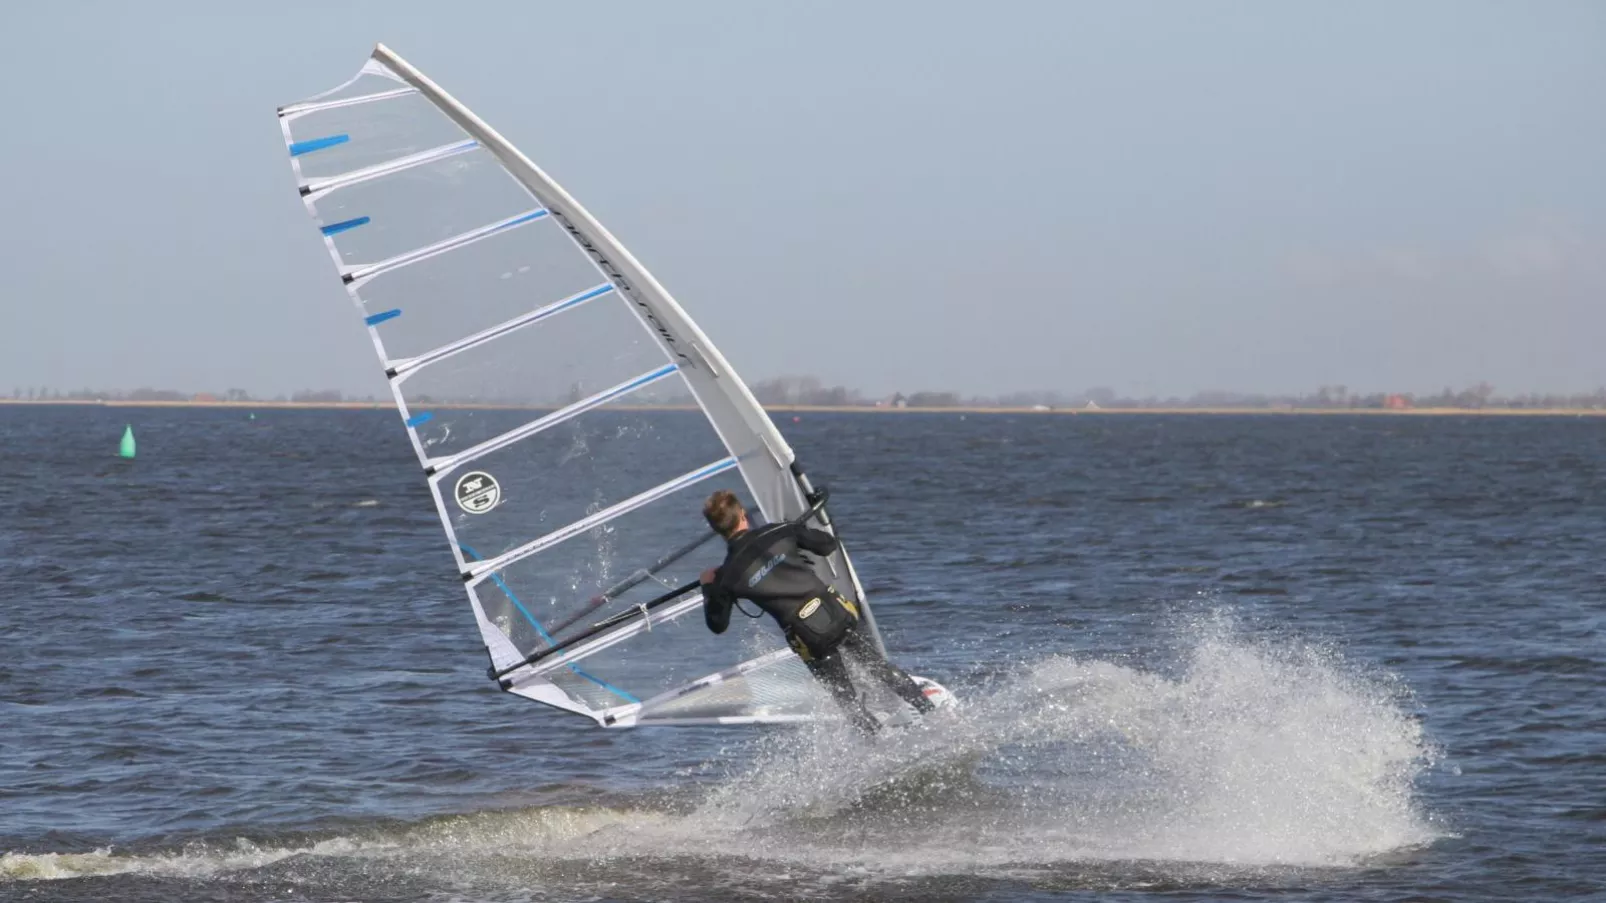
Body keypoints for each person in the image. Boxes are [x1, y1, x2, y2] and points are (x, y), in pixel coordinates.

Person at [698, 489, 935, 733]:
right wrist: (799, 528)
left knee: (847, 701)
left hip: (809, 639)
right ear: (743, 514)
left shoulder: (727, 577)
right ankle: (933, 715)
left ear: (717, 530)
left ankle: (878, 747)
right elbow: (827, 545)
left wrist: (708, 587)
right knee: (879, 668)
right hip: (837, 614)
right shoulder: (778, 531)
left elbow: (718, 625)